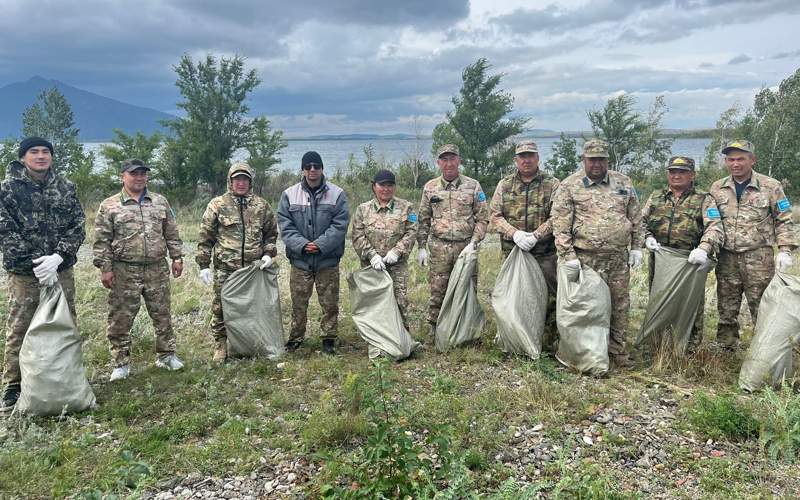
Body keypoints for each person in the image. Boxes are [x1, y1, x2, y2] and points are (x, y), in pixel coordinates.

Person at [0, 137, 85, 410]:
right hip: (25, 274)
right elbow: (6, 231)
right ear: (23, 157)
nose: (40, 156)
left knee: (65, 324)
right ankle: (12, 385)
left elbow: (77, 224)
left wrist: (59, 256)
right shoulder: (8, 190)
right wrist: (38, 263)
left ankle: (67, 379)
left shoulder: (65, 187)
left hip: (61, 271)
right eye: (34, 152)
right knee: (20, 328)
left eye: (45, 151)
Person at [550, 138, 645, 368]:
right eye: (592, 159)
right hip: (585, 259)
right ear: (584, 160)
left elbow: (636, 218)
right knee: (587, 308)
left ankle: (617, 352)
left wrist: (637, 247)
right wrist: (568, 256)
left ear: (607, 160)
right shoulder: (569, 185)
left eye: (601, 159)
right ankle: (588, 353)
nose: (596, 164)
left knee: (619, 305)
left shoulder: (623, 182)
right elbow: (560, 225)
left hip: (617, 258)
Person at [93, 159, 184, 381]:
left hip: (156, 268)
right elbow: (101, 240)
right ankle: (120, 363)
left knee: (162, 314)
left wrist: (177, 257)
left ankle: (166, 355)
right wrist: (105, 268)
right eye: (134, 174)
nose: (139, 178)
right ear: (122, 176)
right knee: (121, 317)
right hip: (124, 269)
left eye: (143, 174)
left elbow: (171, 232)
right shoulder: (110, 205)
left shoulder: (160, 202)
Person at [709, 140, 797, 350]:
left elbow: (784, 219)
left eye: (741, 159)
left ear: (752, 160)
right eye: (731, 159)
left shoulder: (771, 186)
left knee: (762, 305)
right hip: (727, 257)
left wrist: (785, 250)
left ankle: (765, 349)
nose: (735, 164)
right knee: (726, 305)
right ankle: (726, 346)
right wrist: (706, 249)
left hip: (758, 257)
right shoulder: (717, 187)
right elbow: (710, 220)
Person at [196, 163, 279, 363]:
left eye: (245, 179)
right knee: (221, 306)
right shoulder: (217, 205)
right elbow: (205, 237)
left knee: (254, 307)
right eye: (237, 179)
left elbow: (271, 234)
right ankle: (221, 344)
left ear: (250, 182)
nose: (241, 183)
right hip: (226, 269)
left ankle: (252, 343)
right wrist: (204, 265)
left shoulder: (261, 206)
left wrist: (268, 254)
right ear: (230, 181)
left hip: (252, 269)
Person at [641, 156, 724, 351]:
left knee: (690, 302)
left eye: (682, 172)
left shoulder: (704, 199)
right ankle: (657, 345)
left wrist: (704, 248)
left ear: (692, 175)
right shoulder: (656, 196)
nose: (676, 175)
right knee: (659, 298)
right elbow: (640, 222)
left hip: (690, 260)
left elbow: (715, 227)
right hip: (661, 258)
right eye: (673, 171)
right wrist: (646, 238)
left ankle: (689, 348)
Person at [489, 140, 560, 351]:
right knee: (514, 296)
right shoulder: (505, 184)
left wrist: (537, 235)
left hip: (544, 254)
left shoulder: (552, 184)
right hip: (514, 252)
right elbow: (495, 215)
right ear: (516, 160)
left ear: (538, 158)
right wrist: (515, 233)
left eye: (530, 155)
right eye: (522, 156)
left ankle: (547, 342)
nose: (526, 160)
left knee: (549, 298)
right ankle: (515, 341)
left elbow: (559, 216)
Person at [277, 151, 349, 354]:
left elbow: (340, 224)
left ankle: (328, 338)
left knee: (330, 302)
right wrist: (302, 244)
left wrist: (319, 244)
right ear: (302, 169)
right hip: (300, 260)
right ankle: (296, 337)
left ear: (322, 168)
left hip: (327, 259)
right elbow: (285, 224)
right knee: (298, 302)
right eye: (308, 166)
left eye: (316, 166)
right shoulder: (289, 194)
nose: (312, 170)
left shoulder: (337, 194)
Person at [417, 144, 489, 336]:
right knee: (438, 289)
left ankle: (468, 330)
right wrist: (421, 247)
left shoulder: (473, 186)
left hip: (465, 247)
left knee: (468, 287)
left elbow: (483, 218)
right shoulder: (430, 188)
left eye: (452, 159)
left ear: (459, 161)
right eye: (444, 159)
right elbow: (423, 219)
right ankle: (435, 329)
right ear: (438, 163)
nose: (449, 164)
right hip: (439, 248)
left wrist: (474, 242)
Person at [351, 169, 418, 330]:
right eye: (382, 185)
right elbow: (357, 235)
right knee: (373, 303)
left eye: (390, 185)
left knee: (399, 301)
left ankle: (401, 340)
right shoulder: (363, 209)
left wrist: (397, 251)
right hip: (371, 267)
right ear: (374, 186)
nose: (386, 189)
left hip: (396, 266)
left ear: (394, 187)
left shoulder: (407, 208)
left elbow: (412, 231)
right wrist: (372, 255)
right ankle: (377, 341)